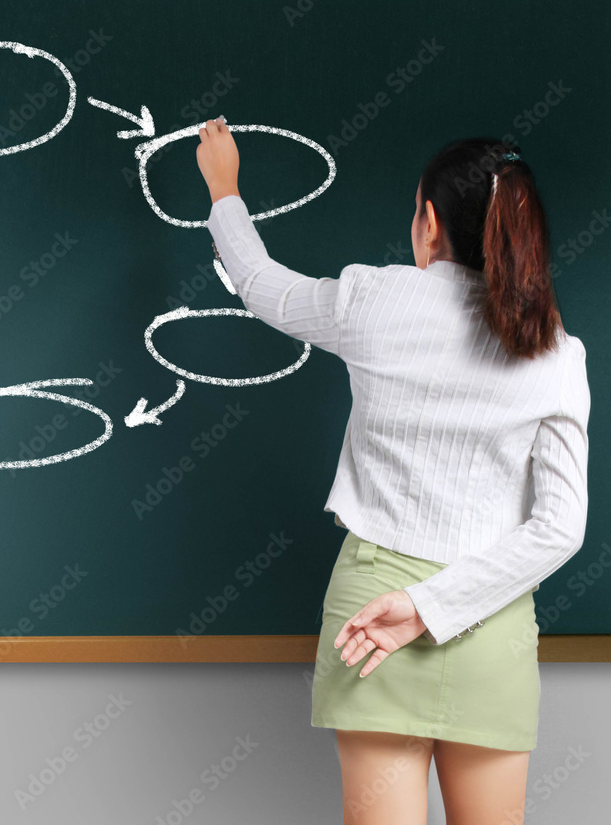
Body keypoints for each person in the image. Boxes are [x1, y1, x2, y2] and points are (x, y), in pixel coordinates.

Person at [196, 119, 590, 824]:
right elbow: (560, 528)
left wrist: (224, 188)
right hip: (489, 617)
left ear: (429, 223)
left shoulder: (374, 299)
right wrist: (435, 607)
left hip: (370, 610)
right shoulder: (557, 350)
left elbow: (259, 283)